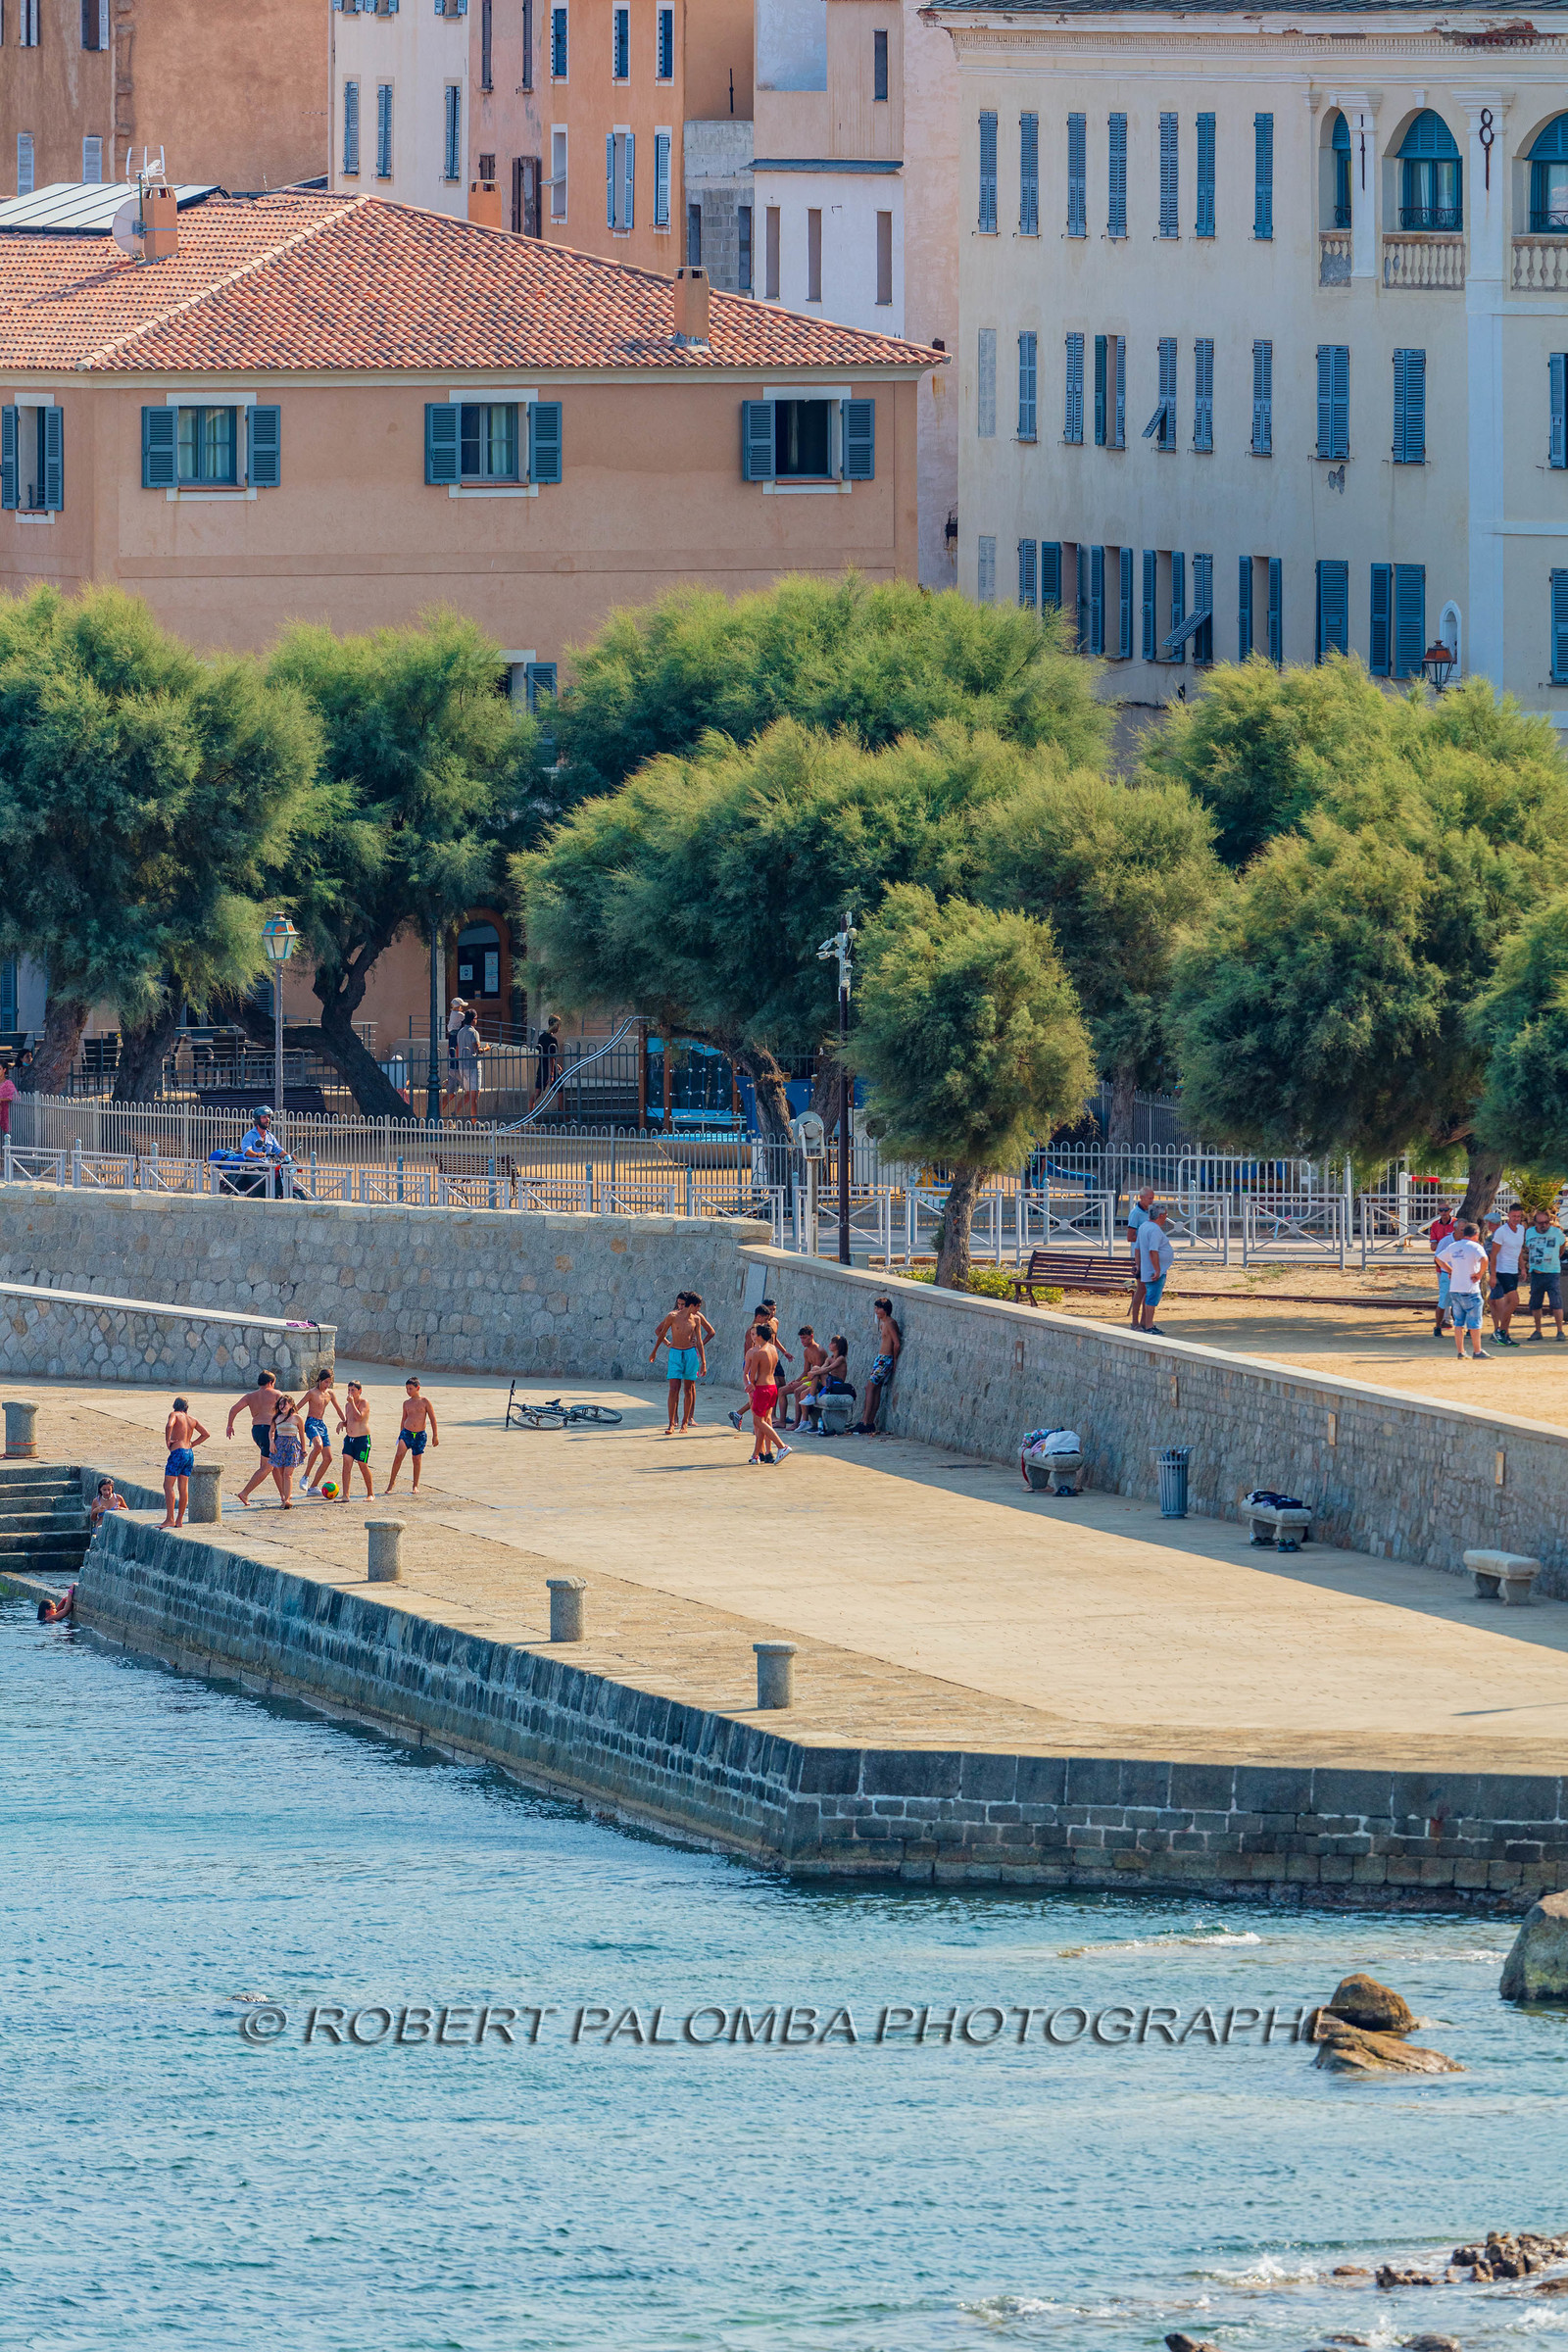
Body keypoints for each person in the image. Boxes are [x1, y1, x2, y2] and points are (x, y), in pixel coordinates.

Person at [650, 1292, 712, 1434]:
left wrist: (703, 1361)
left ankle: (685, 1422)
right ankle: (671, 1423)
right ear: (692, 1305)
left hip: (690, 1354)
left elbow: (700, 1341)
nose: (699, 1310)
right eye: (698, 1306)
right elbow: (661, 1333)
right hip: (675, 1353)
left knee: (689, 1389)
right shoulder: (672, 1316)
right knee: (673, 1388)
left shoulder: (696, 1319)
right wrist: (655, 1351)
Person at [1436, 1219, 1492, 1360]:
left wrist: (1450, 1270)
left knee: (1458, 1322)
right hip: (1470, 1288)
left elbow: (1438, 1258)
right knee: (1475, 1322)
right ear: (1476, 1235)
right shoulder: (1475, 1246)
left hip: (1455, 1288)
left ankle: (1461, 1351)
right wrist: (1480, 1274)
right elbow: (1485, 1259)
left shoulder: (1454, 1246)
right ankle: (1477, 1351)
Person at [230, 1373, 285, 1506]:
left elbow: (234, 1409)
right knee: (266, 1467)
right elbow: (286, 1410)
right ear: (271, 1382)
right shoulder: (277, 1393)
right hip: (269, 1432)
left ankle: (284, 1495)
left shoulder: (250, 1396)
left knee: (275, 1465)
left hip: (256, 1431)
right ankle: (244, 1493)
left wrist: (229, 1425)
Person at [852, 1298, 902, 1434]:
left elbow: (896, 1343)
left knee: (870, 1387)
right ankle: (869, 1422)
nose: (876, 1311)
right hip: (880, 1358)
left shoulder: (890, 1323)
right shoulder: (882, 1323)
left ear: (885, 1309)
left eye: (878, 1308)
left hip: (886, 1359)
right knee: (875, 1389)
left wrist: (894, 1360)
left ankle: (865, 1421)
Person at [743, 1319, 790, 1464]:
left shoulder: (758, 1353)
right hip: (773, 1387)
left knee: (759, 1421)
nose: (753, 1337)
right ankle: (756, 1455)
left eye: (755, 1335)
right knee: (764, 1421)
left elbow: (752, 1376)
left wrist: (751, 1386)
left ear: (760, 1336)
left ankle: (782, 1446)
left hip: (762, 1389)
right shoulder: (773, 1349)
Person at [161, 1396, 210, 1530]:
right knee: (183, 1488)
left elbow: (169, 1425)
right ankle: (179, 1520)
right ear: (186, 1407)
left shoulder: (174, 1414)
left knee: (168, 1486)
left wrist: (168, 1440)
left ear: (174, 1406)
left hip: (177, 1453)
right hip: (189, 1453)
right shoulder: (192, 1420)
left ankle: (170, 1519)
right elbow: (206, 1434)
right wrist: (192, 1444)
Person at [386, 1377, 439, 1493]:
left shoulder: (425, 1402)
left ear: (417, 1388)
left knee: (416, 1459)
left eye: (410, 1389)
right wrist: (400, 1433)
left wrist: (435, 1435)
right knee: (398, 1456)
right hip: (406, 1433)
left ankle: (415, 1485)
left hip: (420, 1435)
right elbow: (403, 1419)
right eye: (406, 1389)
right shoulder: (406, 1403)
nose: (408, 1391)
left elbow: (433, 1419)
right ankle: (391, 1483)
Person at [1525, 1206, 1568, 1344]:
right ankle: (1538, 1330)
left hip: (1552, 1272)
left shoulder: (1556, 1232)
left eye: (1546, 1223)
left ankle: (1560, 1331)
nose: (1543, 1226)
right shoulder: (1529, 1232)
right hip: (1536, 1273)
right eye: (1540, 1223)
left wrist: (1557, 1255)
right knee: (1536, 1303)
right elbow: (1526, 1248)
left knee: (1556, 1302)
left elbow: (1562, 1245)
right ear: (1535, 1223)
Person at [301, 1367, 346, 1495]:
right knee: (318, 1446)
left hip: (321, 1424)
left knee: (328, 1458)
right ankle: (305, 1476)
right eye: (326, 1382)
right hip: (311, 1423)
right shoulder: (311, 1393)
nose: (327, 1385)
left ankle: (313, 1487)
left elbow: (338, 1409)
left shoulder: (330, 1393)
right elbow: (297, 1407)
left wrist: (345, 1422)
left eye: (329, 1382)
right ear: (320, 1380)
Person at [1488, 1203, 1528, 1347]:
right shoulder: (1501, 1232)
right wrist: (1493, 1275)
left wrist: (1522, 1268)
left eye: (1518, 1216)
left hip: (1513, 1271)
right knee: (1514, 1300)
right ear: (1508, 1215)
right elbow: (1493, 1255)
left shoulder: (1521, 1229)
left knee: (1509, 1303)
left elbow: (1519, 1252)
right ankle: (1501, 1331)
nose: (1516, 1219)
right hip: (1502, 1270)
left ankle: (1504, 1333)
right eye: (1514, 1216)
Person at [1136, 1209, 1175, 1334]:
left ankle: (1145, 1323)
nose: (1166, 1218)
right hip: (1154, 1270)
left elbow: (1137, 1248)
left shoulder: (1144, 1226)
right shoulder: (1154, 1230)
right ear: (1161, 1215)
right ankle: (1149, 1326)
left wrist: (1138, 1265)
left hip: (1147, 1268)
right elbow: (1153, 1251)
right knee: (1152, 1298)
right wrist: (1157, 1270)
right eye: (1166, 1215)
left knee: (1149, 1296)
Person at [239, 1104, 292, 1197]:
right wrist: (256, 1154)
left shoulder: (270, 1136)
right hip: (252, 1167)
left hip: (266, 1167)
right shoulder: (250, 1135)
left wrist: (288, 1155)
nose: (267, 1119)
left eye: (268, 1117)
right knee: (262, 1180)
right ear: (257, 1119)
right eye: (264, 1117)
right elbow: (247, 1151)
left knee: (279, 1178)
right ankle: (253, 1202)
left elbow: (278, 1149)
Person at [780, 1326, 827, 1428]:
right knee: (781, 1391)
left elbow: (816, 1374)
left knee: (798, 1391)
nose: (802, 1341)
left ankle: (797, 1423)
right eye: (801, 1338)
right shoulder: (806, 1351)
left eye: (804, 1338)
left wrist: (799, 1383)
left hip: (816, 1381)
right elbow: (806, 1371)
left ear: (811, 1336)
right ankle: (781, 1421)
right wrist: (795, 1381)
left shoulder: (819, 1351)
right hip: (808, 1379)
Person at [1126, 1185, 1157, 1329]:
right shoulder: (1136, 1213)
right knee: (1141, 1289)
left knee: (1149, 1289)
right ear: (1142, 1198)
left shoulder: (1151, 1211)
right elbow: (1130, 1236)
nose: (1152, 1201)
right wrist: (1145, 1237)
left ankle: (1145, 1322)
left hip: (1149, 1254)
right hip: (1140, 1255)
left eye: (1153, 1198)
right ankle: (1134, 1321)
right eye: (1149, 1198)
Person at [339, 1378, 374, 1501]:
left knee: (362, 1464)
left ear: (360, 1391)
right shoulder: (347, 1405)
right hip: (350, 1439)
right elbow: (350, 1420)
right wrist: (342, 1424)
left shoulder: (364, 1402)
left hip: (362, 1439)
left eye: (353, 1390)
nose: (350, 1393)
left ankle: (370, 1493)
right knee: (346, 1465)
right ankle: (345, 1495)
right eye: (349, 1390)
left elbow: (359, 1417)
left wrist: (353, 1403)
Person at [1428, 1202, 1457, 1337]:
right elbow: (1433, 1247)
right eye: (1441, 1210)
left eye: (1446, 1210)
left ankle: (1450, 1319)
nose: (1444, 1212)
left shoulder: (1456, 1223)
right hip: (1442, 1266)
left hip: (1456, 1266)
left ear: (1450, 1210)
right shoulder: (1435, 1225)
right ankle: (1444, 1320)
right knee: (1444, 1293)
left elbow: (1435, 1244)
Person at [451, 1010, 484, 1121]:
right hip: (473, 1066)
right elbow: (478, 1049)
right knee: (475, 1095)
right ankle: (475, 1122)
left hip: (462, 1066)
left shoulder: (460, 1032)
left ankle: (455, 1112)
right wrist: (486, 1048)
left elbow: (457, 1048)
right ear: (474, 1019)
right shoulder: (474, 1032)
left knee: (469, 1093)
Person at [535, 1013, 563, 1099]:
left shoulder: (541, 1037)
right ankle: (562, 1112)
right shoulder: (552, 1039)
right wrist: (551, 1075)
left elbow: (544, 1053)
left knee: (537, 1092)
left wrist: (556, 1065)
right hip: (550, 1069)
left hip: (542, 1067)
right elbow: (551, 1057)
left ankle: (531, 1111)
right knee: (560, 1091)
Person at [0, 1056, 16, 1139]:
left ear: (4, 1070)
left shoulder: (8, 1083)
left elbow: (14, 1096)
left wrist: (1, 1099)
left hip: (4, 1115)